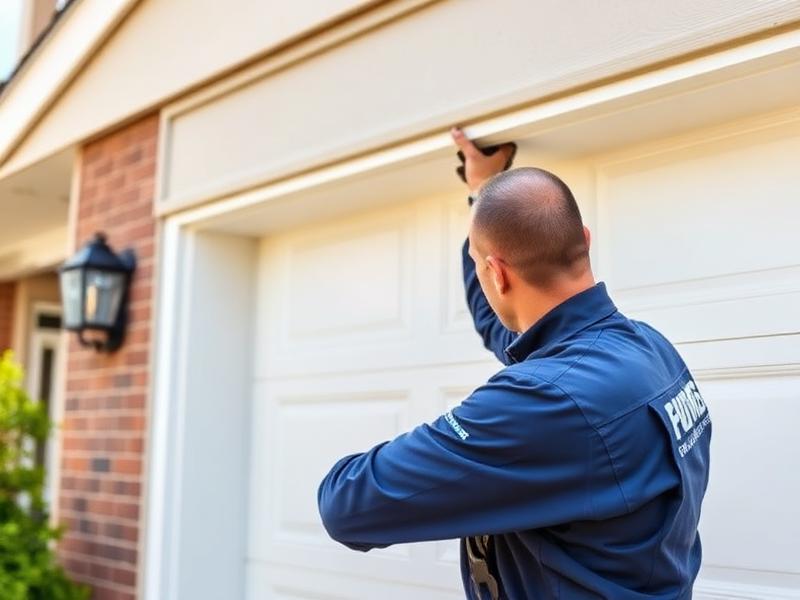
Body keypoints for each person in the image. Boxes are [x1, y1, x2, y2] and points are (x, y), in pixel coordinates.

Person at [317, 127, 712, 599]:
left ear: (497, 273)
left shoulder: (547, 401)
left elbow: (347, 505)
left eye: (482, 264)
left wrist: (450, 438)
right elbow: (504, 328)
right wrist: (482, 194)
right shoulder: (647, 350)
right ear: (583, 239)